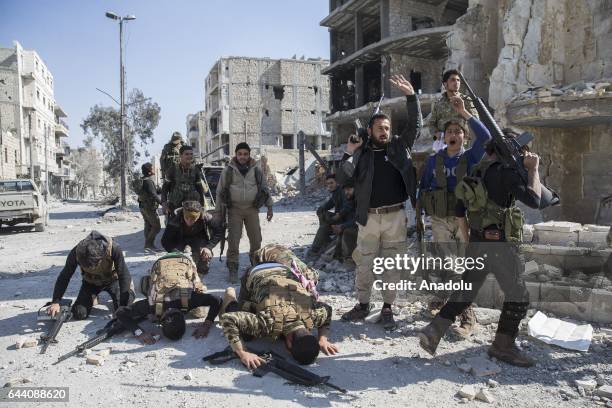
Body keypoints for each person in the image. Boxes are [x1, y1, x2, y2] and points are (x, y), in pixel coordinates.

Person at [418, 133, 542, 367]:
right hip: (501, 246)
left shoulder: (474, 172)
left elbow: (458, 212)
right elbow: (535, 199)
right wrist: (533, 169)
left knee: (468, 290)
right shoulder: (506, 173)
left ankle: (434, 330)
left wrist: (471, 241)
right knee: (519, 295)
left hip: (478, 242)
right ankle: (503, 346)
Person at [338, 74, 421, 330]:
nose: (384, 132)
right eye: (380, 128)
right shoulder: (362, 154)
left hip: (395, 216)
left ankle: (387, 307)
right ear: (370, 131)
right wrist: (350, 152)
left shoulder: (399, 147)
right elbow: (343, 177)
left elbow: (415, 126)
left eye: (387, 128)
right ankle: (363, 304)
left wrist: (411, 97)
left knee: (392, 265)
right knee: (364, 263)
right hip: (369, 218)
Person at [416, 96, 491, 337]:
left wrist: (466, 114)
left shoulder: (469, 158)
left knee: (463, 266)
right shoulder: (433, 160)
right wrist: (421, 217)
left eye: (458, 132)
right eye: (449, 131)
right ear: (443, 136)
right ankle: (452, 304)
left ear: (464, 137)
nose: (453, 134)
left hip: (465, 218)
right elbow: (424, 189)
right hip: (439, 219)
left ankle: (467, 314)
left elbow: (487, 138)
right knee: (449, 264)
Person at [219, 244, 338, 369]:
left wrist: (322, 339)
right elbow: (228, 318)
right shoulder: (268, 323)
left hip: (284, 270)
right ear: (289, 344)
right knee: (246, 335)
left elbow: (327, 309)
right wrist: (243, 353)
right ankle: (230, 296)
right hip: (256, 272)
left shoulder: (313, 316)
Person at [116, 252, 222, 344]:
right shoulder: (153, 305)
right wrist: (139, 333)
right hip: (164, 262)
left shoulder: (189, 300)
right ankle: (148, 279)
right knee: (145, 285)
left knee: (199, 312)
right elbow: (120, 312)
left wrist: (207, 324)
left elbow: (217, 300)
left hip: (181, 265)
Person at [216, 142, 273, 283]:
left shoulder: (256, 169)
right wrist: (218, 213)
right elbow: (219, 192)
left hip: (252, 209)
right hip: (234, 209)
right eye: (240, 154)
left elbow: (265, 188)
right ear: (236, 154)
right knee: (233, 241)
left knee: (256, 240)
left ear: (249, 155)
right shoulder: (228, 170)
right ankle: (233, 268)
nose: (242, 157)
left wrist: (270, 207)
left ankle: (255, 266)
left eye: (245, 154)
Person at [46, 231, 134, 320]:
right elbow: (65, 276)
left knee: (124, 308)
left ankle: (131, 291)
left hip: (113, 280)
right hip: (91, 283)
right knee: (79, 313)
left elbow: (123, 275)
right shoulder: (76, 252)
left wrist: (123, 305)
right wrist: (55, 302)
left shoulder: (113, 248)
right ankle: (93, 298)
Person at [161, 201, 222, 276]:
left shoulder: (206, 217)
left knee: (203, 262)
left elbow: (219, 232)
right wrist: (175, 252)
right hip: (180, 240)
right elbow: (165, 241)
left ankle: (200, 271)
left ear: (199, 215)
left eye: (193, 218)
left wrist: (209, 247)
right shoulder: (174, 220)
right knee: (179, 265)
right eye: (186, 218)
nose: (189, 221)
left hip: (199, 239)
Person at [427, 69, 479, 152]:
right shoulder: (438, 103)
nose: (456, 82)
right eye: (453, 80)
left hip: (461, 143)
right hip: (443, 144)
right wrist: (436, 134)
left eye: (458, 80)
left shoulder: (466, 100)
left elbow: (476, 120)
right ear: (445, 84)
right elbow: (431, 123)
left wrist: (463, 111)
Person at [308, 174, 345, 260]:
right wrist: (321, 208)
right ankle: (325, 239)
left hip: (344, 219)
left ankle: (314, 250)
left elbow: (347, 208)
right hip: (338, 217)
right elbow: (330, 203)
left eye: (331, 183)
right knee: (322, 212)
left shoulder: (342, 192)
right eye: (328, 184)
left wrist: (338, 216)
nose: (330, 185)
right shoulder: (335, 192)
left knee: (324, 228)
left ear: (337, 183)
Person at [161, 145, 206, 217]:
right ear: (180, 156)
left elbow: (199, 189)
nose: (189, 156)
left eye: (191, 154)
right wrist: (164, 203)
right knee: (174, 226)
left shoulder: (195, 170)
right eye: (187, 154)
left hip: (192, 206)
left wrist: (202, 206)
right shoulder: (173, 170)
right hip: (175, 206)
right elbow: (165, 188)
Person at [137, 162, 162, 251]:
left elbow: (154, 191)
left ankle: (147, 246)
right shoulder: (148, 181)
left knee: (148, 225)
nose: (154, 169)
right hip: (149, 208)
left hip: (143, 206)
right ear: (149, 170)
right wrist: (163, 204)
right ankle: (149, 244)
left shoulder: (143, 180)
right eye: (152, 168)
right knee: (156, 227)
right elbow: (153, 195)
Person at [331, 181, 357, 266]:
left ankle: (350, 260)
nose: (346, 192)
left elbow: (358, 219)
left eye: (349, 190)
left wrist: (342, 226)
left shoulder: (360, 200)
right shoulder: (351, 198)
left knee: (347, 231)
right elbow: (347, 208)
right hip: (353, 224)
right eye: (345, 190)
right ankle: (337, 257)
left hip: (364, 227)